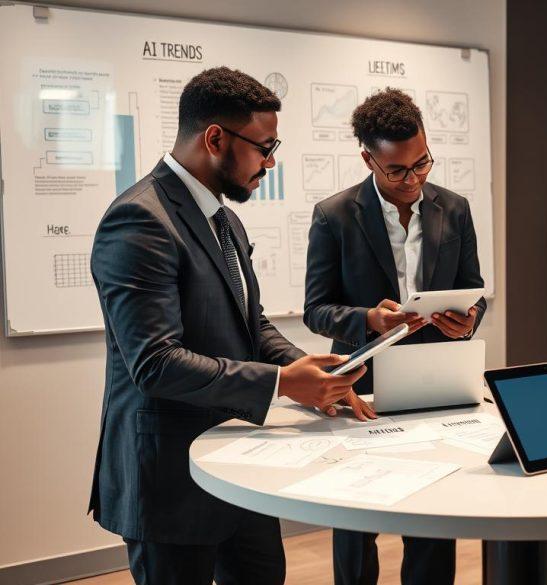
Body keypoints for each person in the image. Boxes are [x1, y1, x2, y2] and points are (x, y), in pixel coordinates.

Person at [89, 67, 366, 585]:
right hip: (169, 478)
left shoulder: (225, 219)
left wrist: (304, 368)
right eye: (265, 147)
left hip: (239, 466)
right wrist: (284, 384)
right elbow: (155, 363)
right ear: (215, 138)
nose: (272, 161)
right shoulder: (139, 220)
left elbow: (248, 322)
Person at [304, 88, 486, 585]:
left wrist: (469, 319)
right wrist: (366, 317)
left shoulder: (455, 208)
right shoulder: (334, 215)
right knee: (357, 521)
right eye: (398, 170)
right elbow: (315, 311)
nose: (415, 179)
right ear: (368, 158)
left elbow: (475, 290)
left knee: (433, 514)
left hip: (436, 381)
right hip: (362, 386)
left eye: (422, 162)